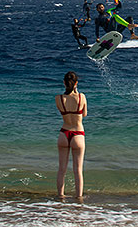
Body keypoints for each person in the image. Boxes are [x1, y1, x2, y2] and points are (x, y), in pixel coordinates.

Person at [56, 71, 87, 199]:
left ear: (64, 83)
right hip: (78, 134)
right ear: (76, 83)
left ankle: (60, 197)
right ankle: (79, 198)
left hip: (64, 133)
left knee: (62, 169)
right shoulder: (81, 97)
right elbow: (84, 114)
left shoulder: (58, 98)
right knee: (78, 170)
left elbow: (63, 112)